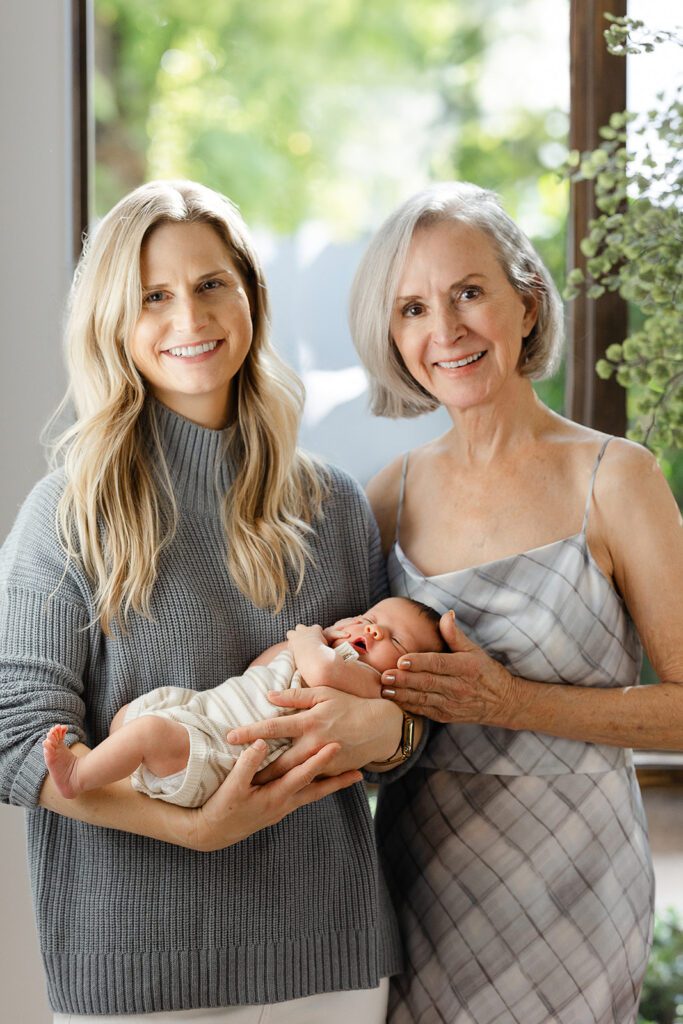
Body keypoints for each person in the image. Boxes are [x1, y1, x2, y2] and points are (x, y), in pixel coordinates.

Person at [0, 180, 412, 1022]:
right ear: (114, 321)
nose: (188, 318)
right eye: (154, 295)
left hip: (324, 958)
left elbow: (399, 702)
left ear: (250, 298)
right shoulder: (67, 512)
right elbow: (14, 737)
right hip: (135, 970)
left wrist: (392, 733)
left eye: (210, 284)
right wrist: (196, 829)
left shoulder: (332, 506)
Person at [345, 181, 683, 1024]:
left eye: (468, 293)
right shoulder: (390, 494)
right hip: (419, 878)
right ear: (393, 338)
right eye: (412, 309)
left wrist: (511, 702)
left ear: (526, 304)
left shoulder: (615, 477)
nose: (445, 330)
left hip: (579, 885)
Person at [43, 597, 442, 808]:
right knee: (130, 718)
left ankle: (78, 777)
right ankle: (124, 777)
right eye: (369, 617)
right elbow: (260, 671)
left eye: (396, 639)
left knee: (147, 732)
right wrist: (292, 648)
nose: (372, 629)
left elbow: (321, 673)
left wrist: (306, 638)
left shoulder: (370, 685)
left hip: (224, 752)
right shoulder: (324, 653)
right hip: (205, 712)